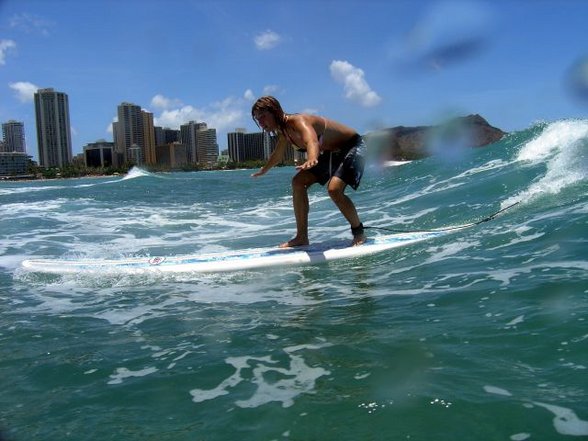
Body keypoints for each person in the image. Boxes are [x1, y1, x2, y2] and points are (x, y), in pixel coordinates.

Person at [251, 96, 367, 248]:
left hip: (353, 146)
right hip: (332, 152)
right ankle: (301, 237)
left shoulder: (298, 121)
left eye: (263, 117)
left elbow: (311, 141)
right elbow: (278, 155)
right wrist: (264, 170)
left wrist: (312, 158)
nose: (261, 123)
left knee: (334, 190)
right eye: (257, 119)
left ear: (275, 112)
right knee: (298, 182)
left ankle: (359, 232)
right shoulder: (284, 132)